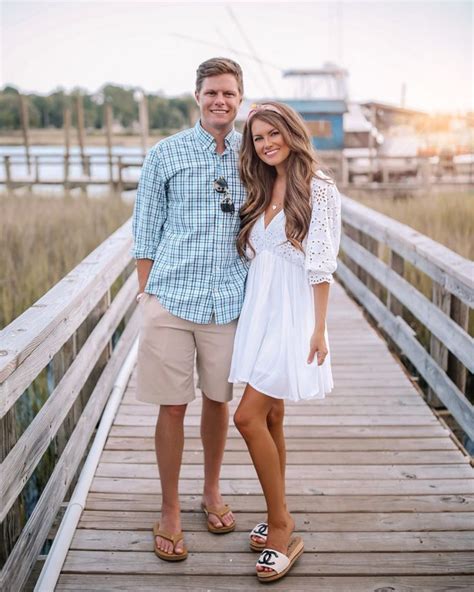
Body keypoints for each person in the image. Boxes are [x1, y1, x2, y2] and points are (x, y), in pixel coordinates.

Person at [132, 57, 247, 562]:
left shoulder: (256, 153)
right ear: (196, 97)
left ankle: (211, 490)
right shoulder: (166, 154)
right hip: (171, 298)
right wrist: (146, 296)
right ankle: (170, 507)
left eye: (228, 93)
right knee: (172, 405)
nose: (219, 101)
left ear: (240, 98)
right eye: (211, 93)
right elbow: (145, 229)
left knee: (218, 401)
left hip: (229, 299)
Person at [229, 101, 341, 582]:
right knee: (270, 414)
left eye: (274, 133)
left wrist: (318, 329)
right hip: (261, 312)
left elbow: (321, 264)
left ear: (292, 133)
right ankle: (278, 508)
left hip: (293, 317)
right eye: (258, 137)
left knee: (246, 416)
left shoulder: (320, 188)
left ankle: (281, 524)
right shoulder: (262, 184)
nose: (267, 143)